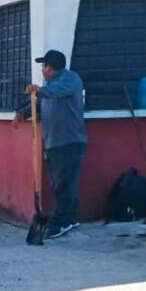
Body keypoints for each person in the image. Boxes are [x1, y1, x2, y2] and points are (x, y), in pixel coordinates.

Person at [14, 49, 87, 239]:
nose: (42, 70)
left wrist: (39, 90)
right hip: (54, 143)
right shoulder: (49, 87)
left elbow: (52, 93)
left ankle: (61, 221)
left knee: (64, 184)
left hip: (70, 142)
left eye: (43, 66)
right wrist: (23, 113)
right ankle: (69, 217)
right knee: (60, 185)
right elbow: (39, 103)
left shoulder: (70, 80)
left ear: (51, 68)